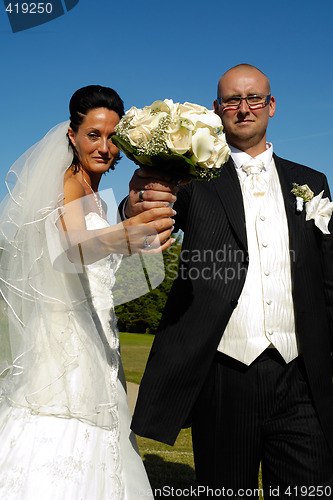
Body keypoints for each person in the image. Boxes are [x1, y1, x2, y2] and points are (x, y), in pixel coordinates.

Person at [123, 65, 333, 497]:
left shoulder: (312, 182)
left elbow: (327, 277)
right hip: (225, 372)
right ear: (218, 111)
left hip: (302, 376)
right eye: (232, 101)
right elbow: (146, 215)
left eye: (253, 98)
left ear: (270, 105)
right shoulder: (192, 177)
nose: (244, 108)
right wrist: (137, 201)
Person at [0, 85, 175, 499]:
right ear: (72, 136)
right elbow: (74, 246)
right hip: (65, 343)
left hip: (101, 336)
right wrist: (126, 236)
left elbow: (117, 282)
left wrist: (134, 227)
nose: (104, 146)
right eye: (93, 134)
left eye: (113, 137)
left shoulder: (98, 196)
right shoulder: (68, 184)